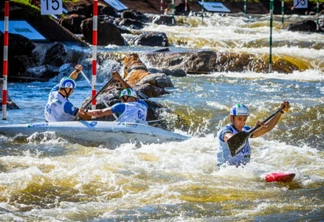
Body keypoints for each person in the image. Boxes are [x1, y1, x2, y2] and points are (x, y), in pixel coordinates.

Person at [216, 101, 290, 167]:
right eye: (239, 119)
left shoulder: (245, 130)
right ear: (232, 118)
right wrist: (254, 128)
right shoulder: (226, 130)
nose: (242, 122)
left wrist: (280, 112)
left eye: (244, 119)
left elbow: (266, 128)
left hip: (243, 170)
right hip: (227, 171)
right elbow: (229, 138)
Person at [82, 72, 148, 124]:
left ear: (124, 98)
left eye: (122, 99)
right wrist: (120, 78)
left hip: (126, 130)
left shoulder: (121, 106)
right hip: (142, 128)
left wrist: (85, 111)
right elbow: (130, 91)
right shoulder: (144, 104)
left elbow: (100, 112)